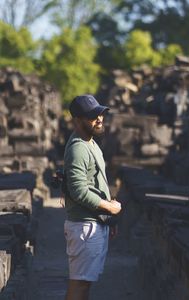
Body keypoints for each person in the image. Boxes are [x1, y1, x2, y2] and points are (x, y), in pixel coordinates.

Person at [63, 94, 122, 300]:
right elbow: (79, 190)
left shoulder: (91, 143)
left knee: (84, 284)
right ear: (77, 120)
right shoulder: (79, 148)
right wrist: (109, 207)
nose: (99, 118)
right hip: (84, 227)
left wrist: (109, 218)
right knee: (79, 285)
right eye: (92, 116)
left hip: (93, 223)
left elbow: (97, 184)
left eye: (100, 113)